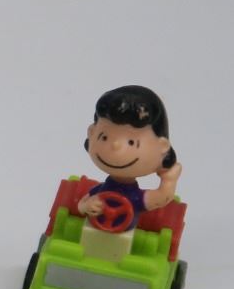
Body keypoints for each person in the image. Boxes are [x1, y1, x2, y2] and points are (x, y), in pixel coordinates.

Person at [78, 85, 182, 224]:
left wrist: (169, 181)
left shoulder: (135, 197)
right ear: (91, 133)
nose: (115, 145)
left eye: (131, 142)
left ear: (162, 146)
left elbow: (161, 198)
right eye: (104, 137)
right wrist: (86, 206)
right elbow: (82, 205)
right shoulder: (101, 190)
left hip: (124, 235)